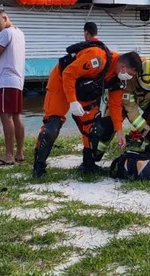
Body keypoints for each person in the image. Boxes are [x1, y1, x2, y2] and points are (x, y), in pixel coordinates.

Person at [30, 38, 128, 178]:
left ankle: (88, 164)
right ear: (123, 66)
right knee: (52, 126)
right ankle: (39, 166)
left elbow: (115, 105)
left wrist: (119, 130)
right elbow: (68, 73)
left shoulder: (117, 76)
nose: (130, 77)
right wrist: (72, 101)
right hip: (61, 80)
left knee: (94, 128)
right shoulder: (98, 58)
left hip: (84, 88)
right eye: (130, 72)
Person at [0, 8, 26, 164]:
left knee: (6, 116)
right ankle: (19, 153)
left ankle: (9, 154)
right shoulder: (20, 32)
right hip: (18, 79)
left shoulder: (6, 33)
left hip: (6, 80)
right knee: (16, 116)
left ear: (5, 18)